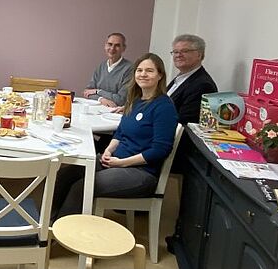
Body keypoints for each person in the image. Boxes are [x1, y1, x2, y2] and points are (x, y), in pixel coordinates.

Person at [52, 53, 178, 220]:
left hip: (141, 172)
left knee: (82, 187)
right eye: (139, 70)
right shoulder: (136, 100)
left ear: (160, 75)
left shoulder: (164, 107)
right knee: (65, 175)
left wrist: (122, 163)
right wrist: (108, 150)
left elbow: (160, 150)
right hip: (115, 160)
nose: (143, 74)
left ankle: (64, 230)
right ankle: (49, 223)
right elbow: (120, 132)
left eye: (149, 71)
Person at [167, 34, 218, 125]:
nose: (178, 55)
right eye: (175, 52)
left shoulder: (203, 85)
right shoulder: (180, 78)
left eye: (184, 51)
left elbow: (184, 122)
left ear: (199, 55)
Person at [83, 32, 133, 108]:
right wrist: (101, 99)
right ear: (105, 46)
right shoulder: (101, 67)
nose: (112, 48)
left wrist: (98, 91)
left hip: (115, 112)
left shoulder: (129, 69)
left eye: (117, 45)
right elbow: (87, 92)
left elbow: (121, 100)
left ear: (123, 48)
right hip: (97, 109)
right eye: (110, 44)